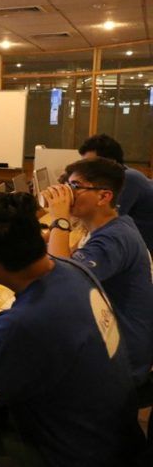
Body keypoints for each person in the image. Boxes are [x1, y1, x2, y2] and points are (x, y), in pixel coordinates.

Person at [0, 192, 144, 466]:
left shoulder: (25, 323)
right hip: (118, 441)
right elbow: (26, 344)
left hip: (77, 456)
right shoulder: (72, 269)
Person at [44, 157, 153, 387]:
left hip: (121, 364)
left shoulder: (113, 240)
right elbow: (66, 262)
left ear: (104, 197)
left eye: (75, 187)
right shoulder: (114, 225)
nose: (68, 194)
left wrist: (60, 219)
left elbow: (59, 283)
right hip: (117, 347)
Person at [78, 134, 153, 252]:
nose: (86, 171)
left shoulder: (128, 178)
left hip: (142, 249)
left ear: (110, 162)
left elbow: (105, 221)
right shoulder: (117, 176)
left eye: (91, 165)